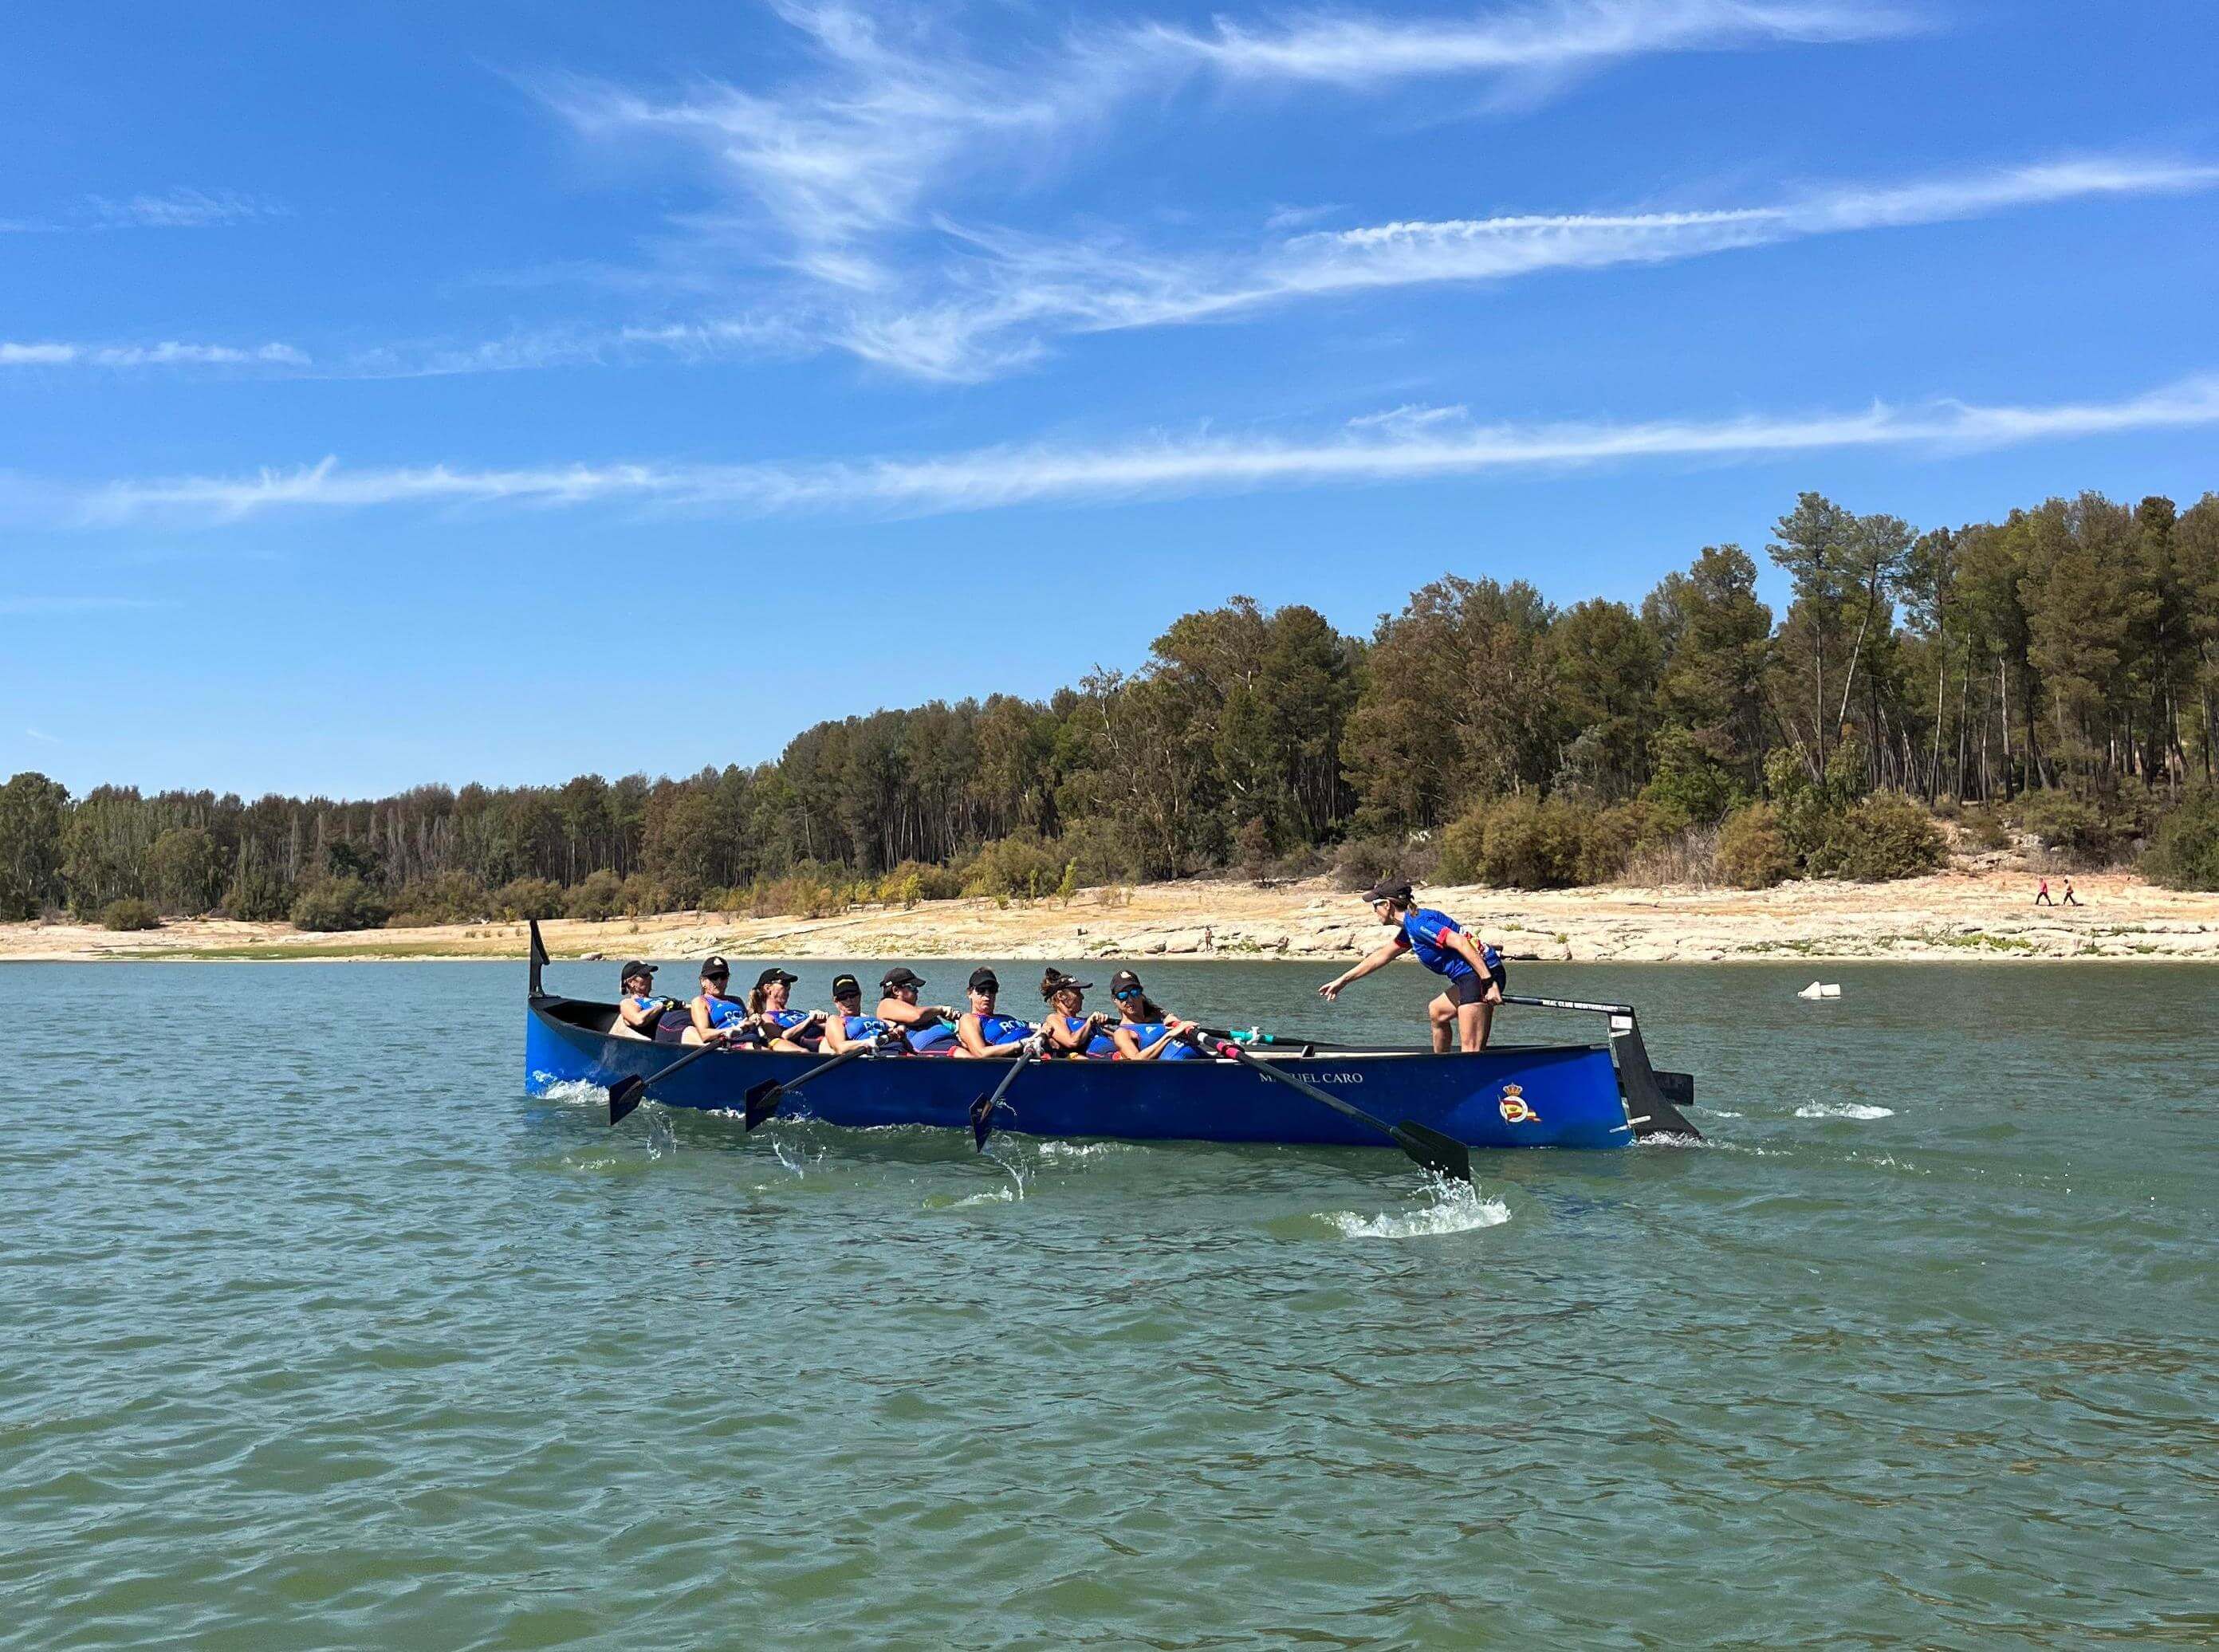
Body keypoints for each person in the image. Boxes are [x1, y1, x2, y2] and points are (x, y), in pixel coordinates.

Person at [1318, 882, 1505, 1053]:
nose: (1373, 911)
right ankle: (1441, 1067)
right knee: (1438, 1012)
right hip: (1471, 976)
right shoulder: (1410, 927)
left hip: (1481, 975)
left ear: (1387, 905)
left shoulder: (1419, 924)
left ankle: (1468, 1079)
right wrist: (1342, 981)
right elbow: (1381, 956)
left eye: (1374, 906)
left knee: (1471, 1050)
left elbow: (1462, 943)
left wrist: (1489, 983)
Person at [1107, 967, 1205, 1060]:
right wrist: (1170, 1035)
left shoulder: (1157, 1015)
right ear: (1115, 999)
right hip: (1177, 1069)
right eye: (1123, 995)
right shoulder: (1122, 1033)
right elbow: (1136, 1060)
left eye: (1135, 992)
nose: (1130, 999)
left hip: (1201, 1058)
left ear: (1141, 994)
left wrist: (1184, 1031)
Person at [656, 955, 753, 1046]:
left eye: (723, 976)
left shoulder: (737, 1000)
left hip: (751, 1039)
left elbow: (747, 1022)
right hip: (732, 1044)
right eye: (714, 977)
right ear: (703, 981)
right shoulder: (700, 1002)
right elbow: (704, 1034)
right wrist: (731, 1030)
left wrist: (754, 1020)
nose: (719, 982)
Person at [954, 967, 1037, 1058]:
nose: (987, 994)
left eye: (992, 989)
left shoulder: (1007, 1017)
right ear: (969, 993)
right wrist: (1021, 1044)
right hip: (1024, 1056)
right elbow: (981, 1053)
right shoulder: (969, 1019)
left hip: (1042, 1049)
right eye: (981, 989)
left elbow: (1038, 1027)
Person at [875, 966, 960, 1053]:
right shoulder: (886, 1004)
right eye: (913, 987)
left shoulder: (917, 1011)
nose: (917, 991)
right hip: (932, 1049)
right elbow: (916, 1016)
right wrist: (941, 1009)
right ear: (896, 990)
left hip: (951, 1045)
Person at [1037, 969, 1115, 1057]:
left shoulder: (1083, 1021)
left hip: (1117, 1055)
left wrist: (1104, 1027)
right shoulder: (1054, 1018)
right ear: (1061, 996)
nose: (1082, 997)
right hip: (1099, 1061)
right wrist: (1089, 1022)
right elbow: (1072, 1041)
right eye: (1077, 993)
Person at [747, 967, 824, 1052]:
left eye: (789, 985)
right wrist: (809, 1020)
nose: (788, 988)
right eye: (785, 983)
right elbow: (781, 1037)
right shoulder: (766, 1017)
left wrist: (821, 1020)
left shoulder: (797, 1012)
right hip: (806, 1045)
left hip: (823, 1038)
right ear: (768, 988)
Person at [823, 972, 899, 1054]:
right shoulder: (835, 1020)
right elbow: (840, 1047)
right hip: (872, 1056)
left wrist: (896, 1030)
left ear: (859, 995)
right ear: (836, 1001)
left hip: (897, 1052)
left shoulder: (872, 1018)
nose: (849, 1000)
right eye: (843, 997)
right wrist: (864, 1043)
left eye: (852, 995)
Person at [612, 960, 667, 1040]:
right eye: (646, 975)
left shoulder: (662, 998)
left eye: (650, 975)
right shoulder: (628, 1003)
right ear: (631, 982)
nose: (652, 978)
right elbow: (639, 1020)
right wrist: (659, 1006)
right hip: (673, 1032)